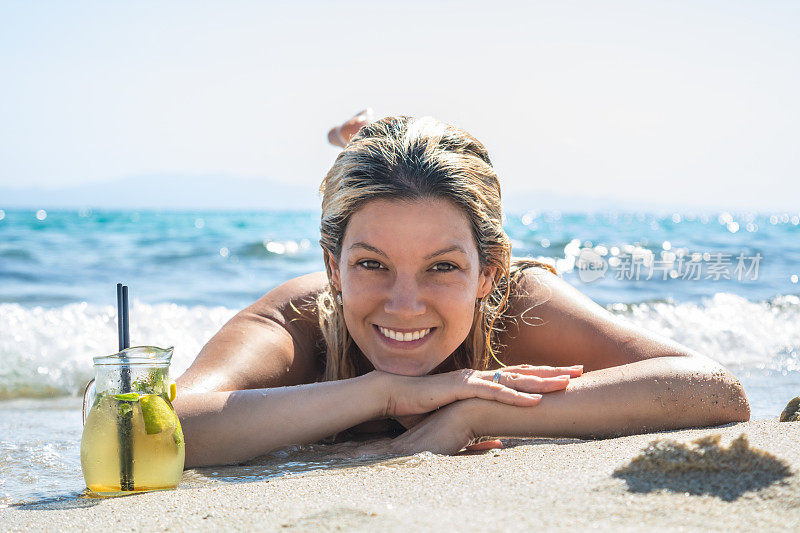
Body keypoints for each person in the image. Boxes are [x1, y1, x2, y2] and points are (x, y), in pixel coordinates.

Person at [173, 111, 750, 468]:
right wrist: (383, 393)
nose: (404, 304)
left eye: (443, 268)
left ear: (487, 273)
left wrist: (472, 413)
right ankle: (366, 133)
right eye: (371, 264)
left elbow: (712, 390)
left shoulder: (516, 305)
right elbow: (155, 426)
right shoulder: (300, 317)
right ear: (332, 266)